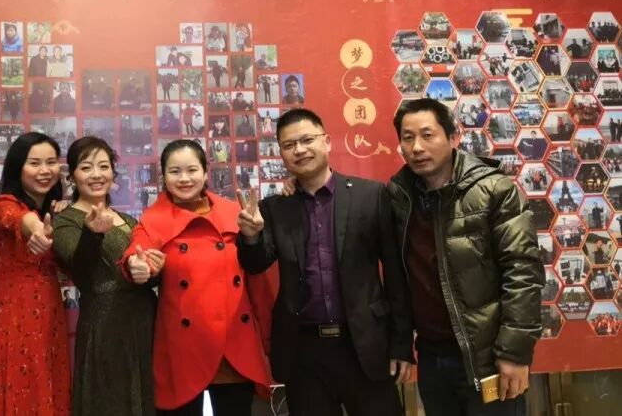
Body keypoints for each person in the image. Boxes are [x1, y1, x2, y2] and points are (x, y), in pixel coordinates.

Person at [236, 108, 413, 415]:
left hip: (365, 344)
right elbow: (256, 264)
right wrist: (251, 236)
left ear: (327, 142)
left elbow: (396, 275)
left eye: (307, 140)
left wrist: (402, 344)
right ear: (281, 153)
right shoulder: (275, 208)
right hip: (304, 352)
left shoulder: (370, 195)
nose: (299, 150)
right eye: (289, 145)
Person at [387, 98, 543, 416]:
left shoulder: (495, 190)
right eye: (407, 138)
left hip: (487, 356)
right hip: (432, 357)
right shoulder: (399, 196)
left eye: (427, 135)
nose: (417, 147)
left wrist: (514, 353)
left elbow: (522, 272)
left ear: (453, 137)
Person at [119, 140, 271, 415]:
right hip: (184, 348)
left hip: (233, 345)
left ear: (205, 173)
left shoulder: (235, 213)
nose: (184, 178)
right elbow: (137, 251)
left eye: (192, 170)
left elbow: (257, 267)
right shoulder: (153, 219)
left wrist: (254, 237)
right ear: (163, 176)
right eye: (175, 171)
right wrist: (137, 265)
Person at [51, 137, 158, 416]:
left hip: (144, 322)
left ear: (113, 172)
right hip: (104, 325)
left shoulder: (130, 220)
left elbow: (147, 272)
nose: (96, 174)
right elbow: (80, 268)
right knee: (109, 402)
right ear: (72, 176)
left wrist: (154, 269)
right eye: (86, 167)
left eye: (103, 166)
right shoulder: (66, 220)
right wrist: (92, 234)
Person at [0, 132, 70, 415]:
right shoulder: (2, 204)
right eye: (34, 163)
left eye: (51, 162)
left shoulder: (54, 212)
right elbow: (17, 218)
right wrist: (37, 229)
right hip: (13, 316)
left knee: (50, 388)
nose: (45, 170)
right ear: (18, 167)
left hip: (51, 315)